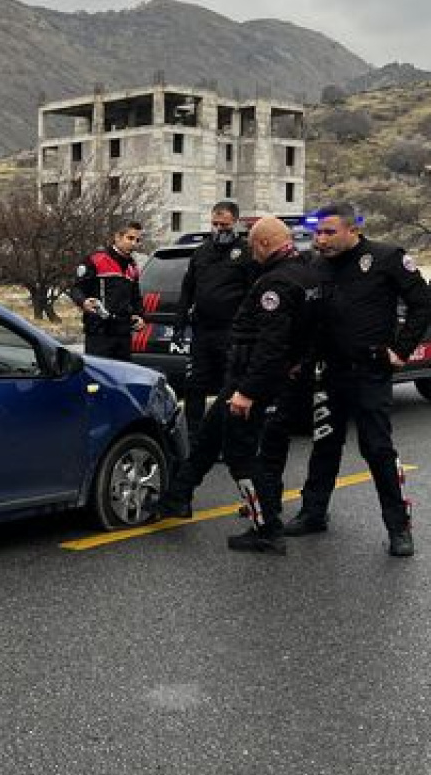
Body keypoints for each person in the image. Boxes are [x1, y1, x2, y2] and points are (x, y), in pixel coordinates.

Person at [156, 216, 320, 554]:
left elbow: (270, 344)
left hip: (252, 382)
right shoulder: (306, 273)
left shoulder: (275, 283)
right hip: (250, 378)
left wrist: (247, 391)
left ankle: (267, 527)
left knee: (240, 454)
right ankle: (177, 499)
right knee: (208, 438)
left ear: (262, 244)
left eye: (252, 246)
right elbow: (308, 332)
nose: (249, 253)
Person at [281, 202, 431, 556]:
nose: (321, 239)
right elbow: (309, 318)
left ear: (353, 230)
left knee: (378, 449)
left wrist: (401, 350)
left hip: (370, 371)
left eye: (329, 232)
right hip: (329, 371)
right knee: (325, 445)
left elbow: (423, 303)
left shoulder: (386, 257)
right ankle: (313, 512)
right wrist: (297, 358)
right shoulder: (317, 267)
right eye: (318, 233)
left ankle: (398, 527)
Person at [176, 201, 257, 440]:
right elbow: (188, 288)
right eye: (215, 224)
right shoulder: (202, 251)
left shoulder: (245, 252)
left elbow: (253, 291)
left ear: (235, 223)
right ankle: (194, 434)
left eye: (225, 225)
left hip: (231, 332)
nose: (219, 229)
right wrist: (180, 321)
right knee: (195, 384)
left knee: (228, 385)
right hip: (203, 330)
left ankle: (224, 435)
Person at [70, 220, 146, 361]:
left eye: (138, 240)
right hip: (99, 332)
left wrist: (139, 316)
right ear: (117, 237)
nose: (134, 243)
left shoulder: (132, 267)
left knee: (121, 378)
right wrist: (84, 302)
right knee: (98, 379)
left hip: (123, 334)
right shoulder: (96, 259)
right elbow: (76, 288)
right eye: (130, 238)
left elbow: (136, 298)